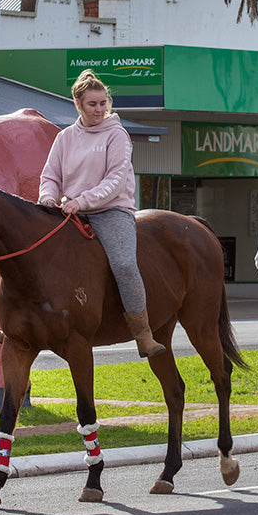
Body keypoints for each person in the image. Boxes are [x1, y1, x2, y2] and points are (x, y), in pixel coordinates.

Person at [37, 69, 166, 357]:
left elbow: (115, 180)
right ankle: (23, 326)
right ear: (78, 105)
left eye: (102, 103)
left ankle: (143, 334)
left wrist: (81, 202)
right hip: (70, 210)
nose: (99, 109)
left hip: (111, 211)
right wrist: (47, 197)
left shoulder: (117, 135)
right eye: (92, 104)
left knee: (123, 265)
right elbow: (50, 176)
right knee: (35, 254)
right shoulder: (65, 137)